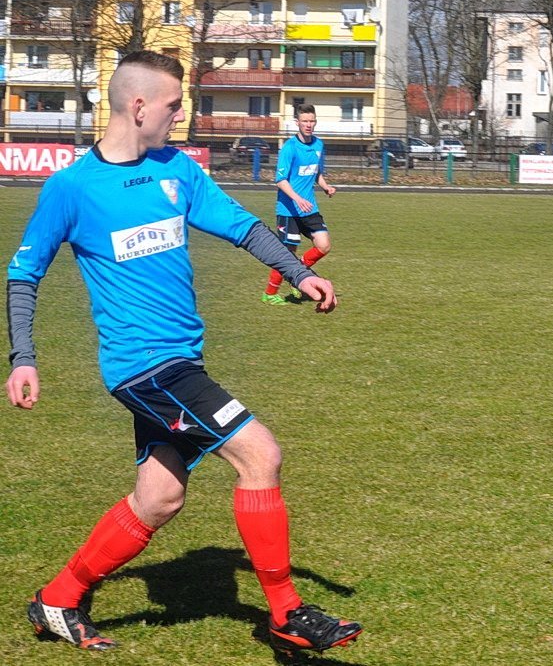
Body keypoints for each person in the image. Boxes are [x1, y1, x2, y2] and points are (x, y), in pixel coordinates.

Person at [6, 51, 362, 656]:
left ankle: (59, 597)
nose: (180, 116)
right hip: (145, 367)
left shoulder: (178, 170)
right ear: (138, 106)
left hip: (180, 362)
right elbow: (23, 274)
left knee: (160, 496)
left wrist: (298, 273)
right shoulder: (71, 189)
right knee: (261, 455)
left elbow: (244, 226)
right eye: (173, 106)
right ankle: (286, 613)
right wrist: (23, 356)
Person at [262, 103, 335, 306]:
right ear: (297, 123)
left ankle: (297, 274)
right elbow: (280, 180)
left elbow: (316, 172)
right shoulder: (289, 148)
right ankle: (270, 292)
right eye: (305, 121)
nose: (308, 125)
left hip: (309, 208)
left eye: (311, 121)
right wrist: (297, 198)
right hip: (288, 209)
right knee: (287, 253)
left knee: (324, 244)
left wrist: (326, 186)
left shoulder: (319, 145)